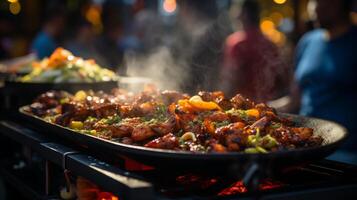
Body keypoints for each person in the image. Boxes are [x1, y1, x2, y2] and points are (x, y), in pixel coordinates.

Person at [292, 0, 357, 164]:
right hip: (304, 147)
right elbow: (294, 100)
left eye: (322, 1)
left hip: (346, 153)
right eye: (313, 1)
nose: (314, 7)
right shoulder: (307, 41)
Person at [220, 0, 286, 102]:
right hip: (267, 107)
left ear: (244, 14)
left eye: (236, 11)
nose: (234, 16)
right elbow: (281, 79)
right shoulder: (271, 44)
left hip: (243, 108)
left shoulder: (236, 43)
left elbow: (231, 80)